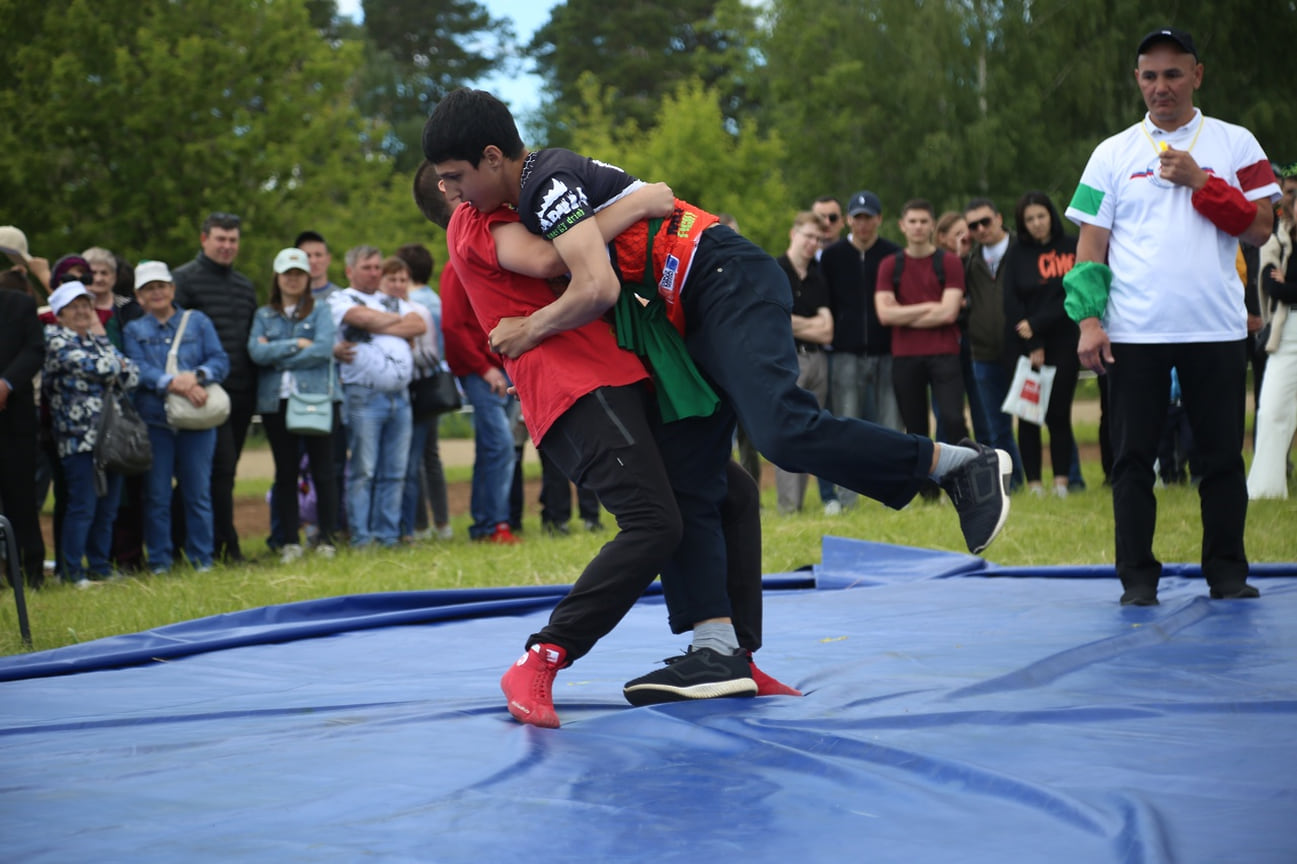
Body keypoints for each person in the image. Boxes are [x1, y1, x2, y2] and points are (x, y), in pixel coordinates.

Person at [422, 89, 1013, 566]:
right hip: (691, 308)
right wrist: (634, 204)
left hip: (721, 280)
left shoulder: (542, 185)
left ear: (493, 157)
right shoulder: (534, 192)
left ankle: (956, 465)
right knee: (687, 472)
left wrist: (529, 330)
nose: (452, 193)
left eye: (455, 177)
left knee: (780, 432)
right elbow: (558, 258)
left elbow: (595, 286)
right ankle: (716, 647)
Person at [417, 163, 794, 728]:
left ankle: (727, 653)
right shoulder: (470, 222)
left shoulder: (513, 206)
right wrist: (642, 201)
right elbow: (552, 260)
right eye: (459, 178)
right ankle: (542, 655)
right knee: (653, 522)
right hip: (574, 389)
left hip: (619, 378)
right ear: (453, 195)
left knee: (728, 491)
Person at [1063, 27, 1278, 605]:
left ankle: (1228, 575)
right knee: (1132, 462)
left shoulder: (1235, 144)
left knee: (1222, 460)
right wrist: (1088, 320)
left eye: (1174, 74)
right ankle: (1137, 581)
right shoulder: (1113, 152)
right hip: (1134, 334)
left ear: (1197, 75)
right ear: (1138, 80)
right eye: (1151, 76)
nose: (1162, 87)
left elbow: (1262, 226)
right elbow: (1090, 247)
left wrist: (1202, 182)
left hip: (1216, 329)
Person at [123, 261, 230, 573]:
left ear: (172, 289)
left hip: (197, 420)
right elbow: (137, 367)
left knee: (197, 493)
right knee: (156, 496)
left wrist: (197, 376)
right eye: (148, 288)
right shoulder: (134, 330)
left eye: (161, 286)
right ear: (139, 296)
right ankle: (159, 561)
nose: (156, 293)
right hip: (155, 422)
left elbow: (220, 360)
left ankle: (201, 560)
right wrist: (173, 383)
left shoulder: (198, 322)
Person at [42, 282, 140, 587]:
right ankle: (72, 572)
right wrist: (114, 366)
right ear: (59, 313)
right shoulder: (55, 340)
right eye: (74, 306)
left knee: (107, 507)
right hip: (78, 440)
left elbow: (133, 372)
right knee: (82, 506)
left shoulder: (97, 341)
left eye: (86, 305)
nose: (82, 311)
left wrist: (113, 366)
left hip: (111, 438)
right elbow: (97, 366)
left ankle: (99, 567)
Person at [173, 212, 258, 563]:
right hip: (202, 394)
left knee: (225, 472)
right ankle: (224, 548)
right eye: (220, 239)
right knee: (213, 473)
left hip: (241, 393)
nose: (227, 246)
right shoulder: (183, 280)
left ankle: (192, 543)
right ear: (203, 239)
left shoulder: (244, 285)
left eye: (233, 240)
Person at [248, 248, 339, 561]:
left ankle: (327, 538)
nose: (293, 279)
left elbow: (323, 349)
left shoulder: (321, 310)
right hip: (276, 403)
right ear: (277, 277)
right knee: (285, 473)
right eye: (287, 274)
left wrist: (276, 352)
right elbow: (255, 354)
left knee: (323, 470)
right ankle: (289, 541)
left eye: (299, 274)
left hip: (317, 398)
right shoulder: (264, 315)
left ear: (307, 278)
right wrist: (295, 344)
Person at [875, 199, 968, 501]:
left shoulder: (949, 262)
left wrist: (906, 312)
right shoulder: (891, 265)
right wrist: (930, 307)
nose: (917, 227)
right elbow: (884, 315)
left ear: (932, 225)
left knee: (953, 419)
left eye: (923, 221)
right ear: (902, 226)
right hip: (905, 356)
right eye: (912, 221)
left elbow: (949, 313)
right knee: (915, 426)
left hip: (944, 353)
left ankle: (961, 482)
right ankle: (927, 493)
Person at [329, 251, 423, 548]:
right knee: (364, 470)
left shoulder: (389, 300)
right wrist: (395, 323)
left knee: (395, 471)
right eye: (366, 267)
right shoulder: (340, 299)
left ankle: (387, 536)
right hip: (364, 396)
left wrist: (377, 323)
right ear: (349, 271)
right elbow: (358, 317)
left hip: (401, 397)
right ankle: (362, 538)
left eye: (376, 267)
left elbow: (419, 324)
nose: (373, 272)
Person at [438, 233, 520, 545]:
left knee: (495, 448)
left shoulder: (494, 265)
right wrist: (483, 368)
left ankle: (487, 525)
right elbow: (452, 326)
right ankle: (494, 525)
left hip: (505, 368)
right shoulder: (456, 266)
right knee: (498, 446)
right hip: (482, 372)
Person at [1002, 191, 1080, 497]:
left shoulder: (1072, 247)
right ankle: (1034, 485)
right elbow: (1011, 301)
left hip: (1065, 340)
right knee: (1028, 415)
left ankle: (1062, 481)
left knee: (1059, 413)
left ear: (1052, 216)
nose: (1037, 224)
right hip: (1022, 345)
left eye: (1041, 216)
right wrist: (1032, 339)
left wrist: (1039, 323)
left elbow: (1073, 294)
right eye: (1030, 219)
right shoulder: (1017, 253)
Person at [820, 190, 904, 456]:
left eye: (868, 218)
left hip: (888, 351)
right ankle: (848, 496)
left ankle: (892, 489)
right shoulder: (832, 257)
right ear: (848, 220)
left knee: (891, 424)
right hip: (846, 353)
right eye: (857, 218)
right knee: (847, 423)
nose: (863, 224)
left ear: (879, 219)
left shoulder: (893, 255)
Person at [774, 211, 835, 514]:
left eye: (818, 239)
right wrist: (809, 324)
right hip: (788, 359)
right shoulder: (774, 270)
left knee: (810, 430)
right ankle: (788, 508)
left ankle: (800, 503)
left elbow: (828, 330)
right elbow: (773, 321)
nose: (813, 243)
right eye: (808, 235)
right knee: (787, 429)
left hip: (818, 360)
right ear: (793, 233)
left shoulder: (818, 275)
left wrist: (794, 322)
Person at [964, 197, 1025, 489]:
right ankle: (1011, 485)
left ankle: (1068, 481)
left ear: (999, 218)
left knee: (1036, 420)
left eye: (985, 221)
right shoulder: (971, 259)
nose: (980, 229)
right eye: (973, 225)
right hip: (983, 353)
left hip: (1024, 351)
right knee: (996, 427)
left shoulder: (1022, 249)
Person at [396, 243, 452, 541]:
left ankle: (418, 526)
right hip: (433, 386)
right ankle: (442, 524)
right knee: (431, 457)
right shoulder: (435, 301)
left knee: (412, 459)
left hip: (415, 387)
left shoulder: (410, 306)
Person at [1247, 164, 1297, 499]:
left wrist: (1289, 283)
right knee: (1272, 408)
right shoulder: (1278, 236)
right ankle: (1266, 489)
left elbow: (1285, 286)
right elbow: (1271, 287)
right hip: (1288, 328)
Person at [0, 262, 47, 588]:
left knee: (21, 497)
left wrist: (6, 383)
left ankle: (30, 575)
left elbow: (35, 349)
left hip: (15, 417)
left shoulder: (20, 304)